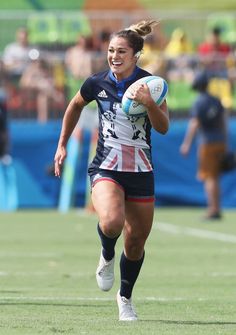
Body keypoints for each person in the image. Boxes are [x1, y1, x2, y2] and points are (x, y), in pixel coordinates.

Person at [54, 20, 169, 321]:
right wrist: (62, 144)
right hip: (106, 165)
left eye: (121, 52)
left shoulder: (151, 85)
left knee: (135, 242)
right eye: (110, 51)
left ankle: (125, 298)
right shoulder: (96, 82)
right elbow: (75, 105)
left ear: (135, 56)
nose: (114, 56)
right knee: (111, 222)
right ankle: (106, 255)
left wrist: (150, 104)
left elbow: (164, 127)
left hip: (141, 171)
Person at [180, 70, 227, 220]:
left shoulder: (199, 101)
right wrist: (225, 141)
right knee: (215, 177)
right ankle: (217, 208)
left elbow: (195, 123)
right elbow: (223, 122)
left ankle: (213, 210)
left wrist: (186, 144)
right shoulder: (216, 100)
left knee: (209, 177)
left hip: (207, 142)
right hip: (220, 140)